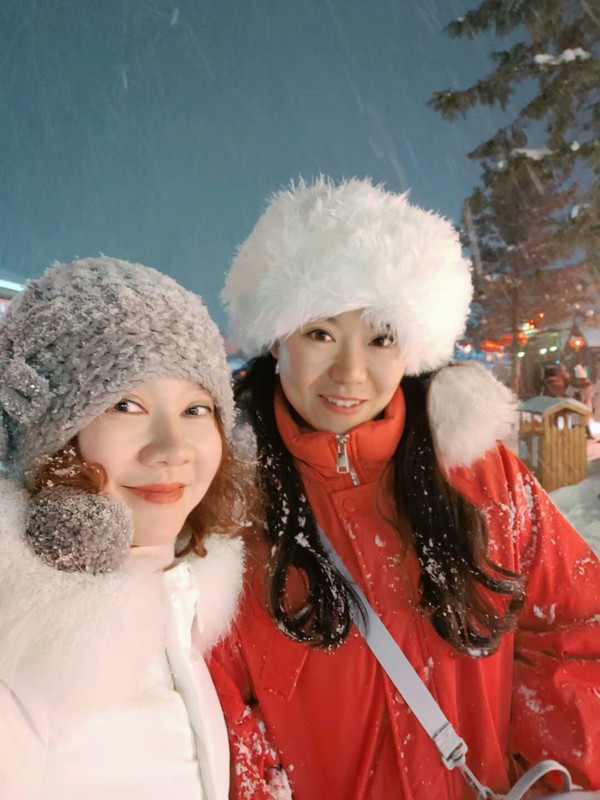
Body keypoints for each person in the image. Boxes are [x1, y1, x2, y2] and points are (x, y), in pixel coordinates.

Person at [209, 178, 600, 799]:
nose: (350, 373)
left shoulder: (482, 476)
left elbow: (577, 627)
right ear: (277, 338)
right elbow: (221, 716)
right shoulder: (227, 507)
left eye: (380, 337)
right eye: (320, 333)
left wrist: (552, 780)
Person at [0, 257, 282, 800]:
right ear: (50, 438)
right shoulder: (21, 657)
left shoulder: (183, 606)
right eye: (125, 405)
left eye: (196, 410)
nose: (172, 448)